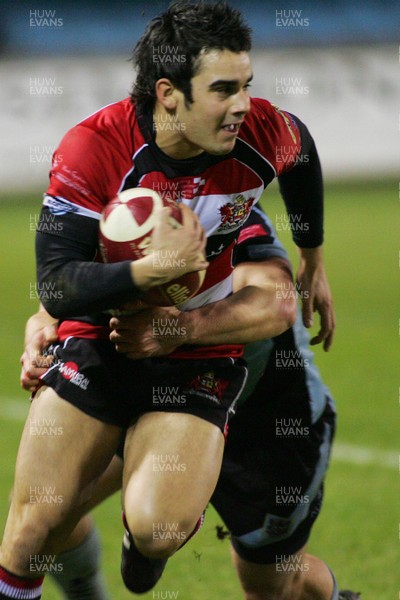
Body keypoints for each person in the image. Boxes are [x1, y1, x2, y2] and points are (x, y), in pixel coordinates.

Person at [0, 2, 336, 599]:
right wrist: (151, 271)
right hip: (101, 341)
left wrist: (312, 254)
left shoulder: (259, 138)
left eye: (247, 86)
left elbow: (302, 152)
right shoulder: (93, 149)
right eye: (224, 89)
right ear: (169, 94)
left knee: (161, 530)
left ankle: (148, 531)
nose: (242, 105)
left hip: (199, 358)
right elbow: (55, 282)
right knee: (30, 531)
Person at [20, 210, 359, 600]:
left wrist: (180, 329)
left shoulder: (230, 206)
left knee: (275, 586)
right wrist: (41, 332)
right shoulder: (119, 200)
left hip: (265, 417)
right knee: (49, 511)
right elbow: (63, 292)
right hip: (153, 402)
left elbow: (275, 299)